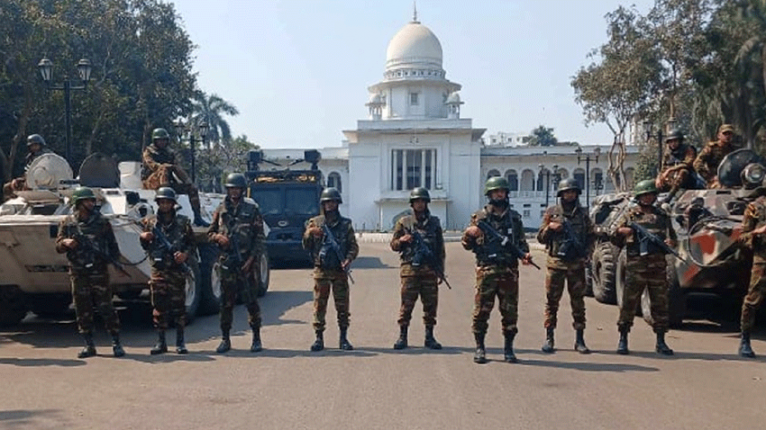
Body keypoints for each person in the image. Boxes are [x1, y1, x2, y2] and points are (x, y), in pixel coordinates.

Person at [462, 177, 532, 364]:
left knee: (510, 312)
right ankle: (480, 347)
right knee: (481, 311)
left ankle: (508, 349)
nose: (499, 194)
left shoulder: (515, 218)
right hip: (486, 271)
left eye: (502, 191)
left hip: (509, 272)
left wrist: (525, 255)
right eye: (496, 191)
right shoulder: (480, 218)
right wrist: (469, 234)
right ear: (490, 194)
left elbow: (522, 243)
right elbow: (467, 245)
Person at [55, 186, 125, 358]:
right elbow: (58, 246)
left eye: (92, 200)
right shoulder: (68, 222)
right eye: (88, 200)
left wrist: (116, 263)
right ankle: (88, 344)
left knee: (106, 306)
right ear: (78, 203)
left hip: (98, 271)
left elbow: (113, 245)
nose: (91, 203)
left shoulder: (101, 222)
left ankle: (116, 342)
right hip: (78, 272)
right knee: (82, 308)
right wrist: (66, 242)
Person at [610, 180, 676, 356]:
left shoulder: (662, 215)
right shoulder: (630, 216)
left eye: (651, 194)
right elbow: (613, 236)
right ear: (639, 197)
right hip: (636, 266)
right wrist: (622, 232)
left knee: (660, 305)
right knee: (628, 305)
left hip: (658, 267)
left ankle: (661, 341)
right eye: (645, 195)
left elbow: (672, 237)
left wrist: (670, 242)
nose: (648, 198)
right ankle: (623, 339)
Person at [207, 173, 266, 353]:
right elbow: (209, 234)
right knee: (226, 303)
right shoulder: (221, 210)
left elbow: (259, 238)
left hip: (247, 263)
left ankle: (256, 338)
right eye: (231, 188)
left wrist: (251, 260)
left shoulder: (251, 209)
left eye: (237, 188)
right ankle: (225, 339)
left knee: (251, 302)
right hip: (227, 263)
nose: (234, 191)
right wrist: (218, 237)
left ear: (242, 190)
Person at [536, 178, 595, 354]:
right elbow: (540, 237)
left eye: (573, 192)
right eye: (567, 192)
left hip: (576, 264)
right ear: (561, 194)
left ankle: (579, 339)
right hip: (556, 265)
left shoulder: (583, 214)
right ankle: (549, 337)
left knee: (578, 303)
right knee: (552, 302)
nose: (570, 195)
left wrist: (588, 255)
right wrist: (550, 228)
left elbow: (591, 236)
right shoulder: (552, 212)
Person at [139, 187, 195, 355]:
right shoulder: (150, 223)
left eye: (167, 202)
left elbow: (191, 244)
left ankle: (180, 342)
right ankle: (161, 342)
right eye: (162, 202)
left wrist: (184, 255)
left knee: (179, 308)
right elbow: (145, 246)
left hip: (176, 270)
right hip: (159, 271)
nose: (164, 205)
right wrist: (143, 238)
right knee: (159, 308)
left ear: (173, 204)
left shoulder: (183, 223)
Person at [302, 187, 359, 352]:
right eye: (327, 202)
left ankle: (343, 338)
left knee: (342, 307)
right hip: (322, 271)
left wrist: (348, 259)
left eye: (333, 202)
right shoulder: (315, 222)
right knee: (319, 305)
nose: (330, 205)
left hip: (339, 271)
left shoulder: (345, 224)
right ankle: (319, 338)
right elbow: (305, 246)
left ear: (337, 203)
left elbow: (353, 246)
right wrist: (309, 233)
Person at [390, 187, 446, 350]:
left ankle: (429, 337)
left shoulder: (434, 223)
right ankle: (403, 336)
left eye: (422, 201)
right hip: (410, 271)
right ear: (412, 204)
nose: (420, 204)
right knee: (406, 304)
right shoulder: (404, 222)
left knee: (430, 305)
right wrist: (402, 240)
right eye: (417, 201)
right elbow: (393, 245)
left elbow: (440, 249)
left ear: (427, 203)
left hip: (429, 270)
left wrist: (440, 270)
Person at [142, 127, 207, 226]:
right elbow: (151, 164)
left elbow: (177, 167)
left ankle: (197, 217)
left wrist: (188, 182)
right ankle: (168, 197)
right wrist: (163, 166)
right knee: (164, 168)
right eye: (160, 140)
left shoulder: (169, 153)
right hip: (151, 181)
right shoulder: (148, 151)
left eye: (164, 140)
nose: (162, 142)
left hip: (167, 182)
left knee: (191, 187)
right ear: (155, 141)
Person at [735, 189, 766, 358]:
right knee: (753, 300)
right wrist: (757, 233)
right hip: (763, 259)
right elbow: (742, 237)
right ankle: (745, 340)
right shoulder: (755, 207)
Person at [3, 134, 53, 200]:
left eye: (36, 145)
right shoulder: (30, 157)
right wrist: (19, 179)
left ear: (41, 145)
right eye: (32, 146)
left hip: (46, 182)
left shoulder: (48, 156)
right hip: (30, 180)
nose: (34, 147)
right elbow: (28, 171)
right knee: (8, 186)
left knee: (26, 187)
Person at [655, 129, 699, 202]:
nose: (673, 144)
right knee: (651, 183)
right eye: (670, 142)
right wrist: (659, 178)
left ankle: (669, 197)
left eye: (675, 141)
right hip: (671, 179)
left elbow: (688, 162)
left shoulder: (688, 149)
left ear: (680, 141)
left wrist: (671, 169)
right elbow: (663, 168)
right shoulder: (668, 154)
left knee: (683, 172)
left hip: (688, 179)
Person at [693, 124, 738, 188]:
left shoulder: (734, 149)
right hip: (715, 181)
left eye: (729, 134)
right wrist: (710, 177)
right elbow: (697, 163)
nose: (727, 136)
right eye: (725, 134)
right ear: (719, 135)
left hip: (731, 180)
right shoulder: (711, 148)